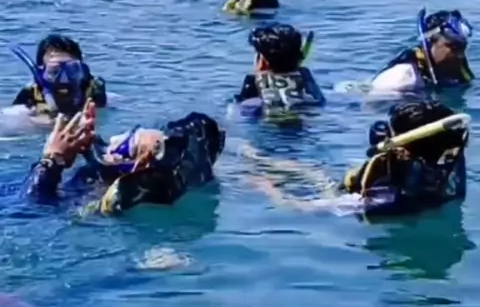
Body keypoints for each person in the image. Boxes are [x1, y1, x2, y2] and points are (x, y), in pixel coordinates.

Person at [243, 100, 469, 220]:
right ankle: (258, 158)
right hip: (429, 209)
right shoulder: (449, 164)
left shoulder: (382, 198)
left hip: (349, 199)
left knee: (317, 175)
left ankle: (255, 159)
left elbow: (297, 208)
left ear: (402, 151)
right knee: (314, 173)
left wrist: (268, 189)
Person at [27, 101, 225, 215]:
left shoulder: (90, 204)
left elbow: (34, 210)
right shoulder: (101, 186)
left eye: (129, 145)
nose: (114, 140)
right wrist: (90, 150)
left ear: (139, 166)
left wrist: (52, 160)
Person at [371, 9, 474, 95]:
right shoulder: (399, 80)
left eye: (462, 48)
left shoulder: (455, 66)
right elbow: (374, 108)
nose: (460, 55)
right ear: (431, 41)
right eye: (453, 47)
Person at [234, 23, 324, 118]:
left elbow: (237, 109)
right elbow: (319, 100)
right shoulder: (304, 75)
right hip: (303, 115)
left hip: (268, 119)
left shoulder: (253, 80)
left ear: (263, 61)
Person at [12, 33, 107, 117]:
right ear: (41, 74)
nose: (64, 79)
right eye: (54, 71)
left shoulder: (94, 92)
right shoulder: (29, 99)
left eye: (71, 70)